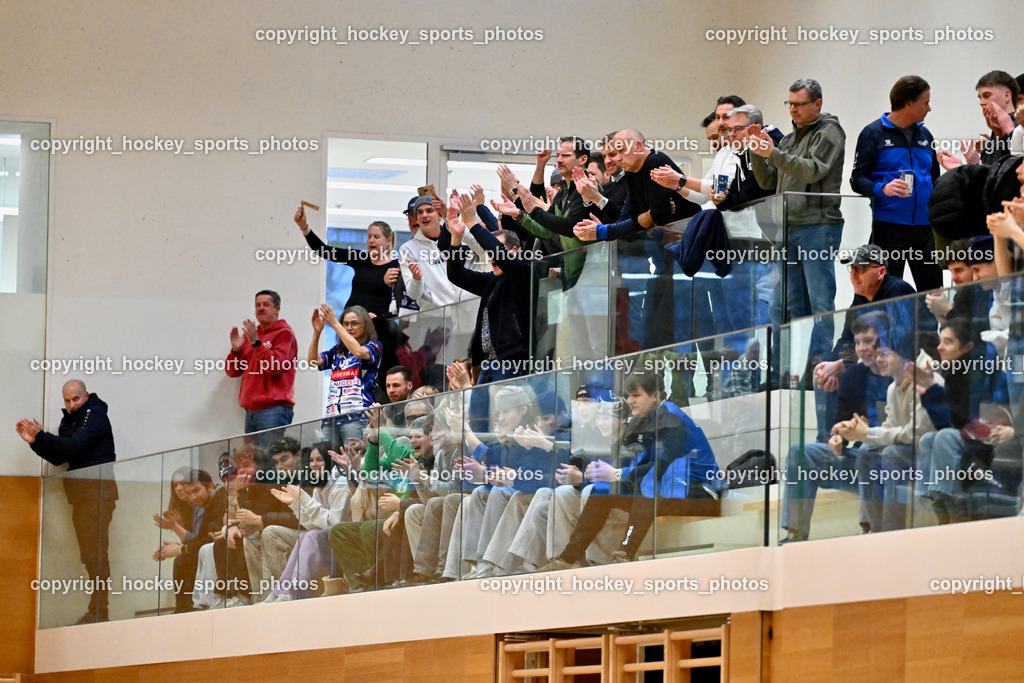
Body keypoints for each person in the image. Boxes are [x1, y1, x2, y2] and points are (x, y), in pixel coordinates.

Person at [749, 78, 846, 366]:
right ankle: (783, 371)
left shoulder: (830, 132)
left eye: (799, 104)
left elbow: (814, 170)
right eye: (789, 104)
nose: (793, 110)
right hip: (788, 228)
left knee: (820, 303)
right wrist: (758, 151)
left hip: (818, 225)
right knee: (782, 304)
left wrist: (774, 153)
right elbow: (768, 180)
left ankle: (818, 367)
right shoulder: (790, 139)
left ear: (817, 103)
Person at [16, 379, 118, 624]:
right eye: (67, 400)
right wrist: (36, 442)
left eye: (76, 399)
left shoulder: (94, 414)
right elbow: (59, 455)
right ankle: (97, 610)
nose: (72, 405)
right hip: (82, 495)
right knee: (89, 555)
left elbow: (72, 447)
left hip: (98, 493)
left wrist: (41, 436)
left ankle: (100, 612)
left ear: (86, 396)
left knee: (95, 555)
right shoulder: (68, 420)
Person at [851, 75, 942, 291]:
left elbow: (935, 179)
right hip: (888, 228)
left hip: (925, 230)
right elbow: (857, 179)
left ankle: (930, 328)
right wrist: (881, 189)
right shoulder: (872, 133)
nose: (929, 108)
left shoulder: (926, 135)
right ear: (908, 103)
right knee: (887, 294)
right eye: (925, 102)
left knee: (933, 294)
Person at [295, 208, 402, 377]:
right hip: (351, 326)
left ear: (388, 240)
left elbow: (402, 306)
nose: (371, 240)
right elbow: (324, 250)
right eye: (369, 236)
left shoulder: (395, 267)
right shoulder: (360, 258)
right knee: (347, 369)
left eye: (376, 237)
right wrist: (304, 227)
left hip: (376, 330)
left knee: (370, 373)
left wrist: (380, 317)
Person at [225, 290, 298, 435]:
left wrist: (256, 343)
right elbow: (233, 372)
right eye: (257, 305)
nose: (261, 308)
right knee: (252, 458)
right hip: (250, 411)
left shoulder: (284, 334)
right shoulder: (252, 335)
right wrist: (236, 350)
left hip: (274, 410)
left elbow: (274, 366)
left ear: (277, 309)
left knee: (269, 458)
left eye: (266, 305)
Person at [308, 303, 382, 447]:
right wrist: (317, 332)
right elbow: (312, 361)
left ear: (365, 325)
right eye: (346, 324)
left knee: (354, 462)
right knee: (329, 464)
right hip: (332, 416)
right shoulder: (337, 351)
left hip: (357, 415)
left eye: (354, 323)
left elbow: (359, 352)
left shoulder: (374, 345)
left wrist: (335, 324)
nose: (349, 328)